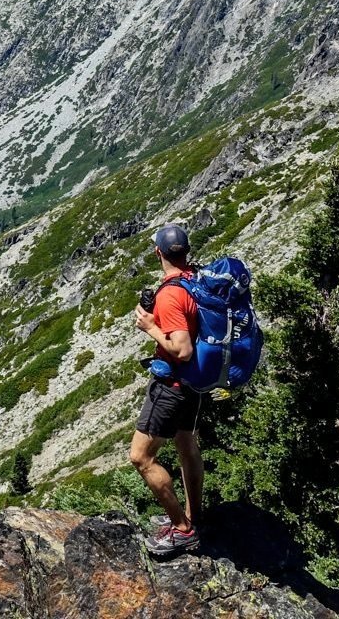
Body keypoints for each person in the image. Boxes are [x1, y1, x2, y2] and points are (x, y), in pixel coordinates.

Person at [128, 223, 204, 556]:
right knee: (186, 443)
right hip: (193, 383)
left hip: (172, 384)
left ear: (159, 252)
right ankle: (194, 516)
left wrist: (151, 328)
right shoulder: (193, 279)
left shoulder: (172, 294)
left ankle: (183, 529)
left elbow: (182, 348)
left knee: (141, 456)